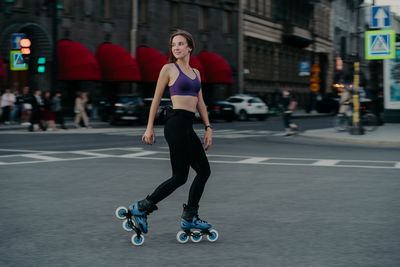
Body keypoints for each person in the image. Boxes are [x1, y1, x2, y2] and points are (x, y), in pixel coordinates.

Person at [127, 29, 214, 236]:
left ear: (190, 47)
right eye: (174, 44)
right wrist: (149, 127)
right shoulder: (168, 69)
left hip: (188, 125)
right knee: (180, 176)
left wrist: (208, 127)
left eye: (181, 43)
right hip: (174, 124)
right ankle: (141, 208)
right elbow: (156, 100)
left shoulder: (196, 73)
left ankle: (189, 216)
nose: (176, 47)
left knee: (203, 171)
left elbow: (200, 102)